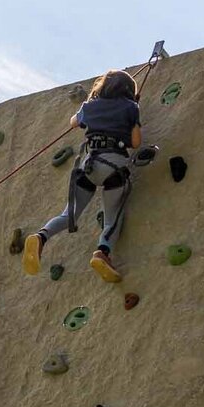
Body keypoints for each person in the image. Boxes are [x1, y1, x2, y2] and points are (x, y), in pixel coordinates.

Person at [22, 69, 142, 283]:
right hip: (113, 165)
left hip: (89, 165)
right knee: (112, 216)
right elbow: (135, 142)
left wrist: (90, 107)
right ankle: (102, 253)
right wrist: (134, 115)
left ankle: (41, 236)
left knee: (70, 213)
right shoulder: (131, 107)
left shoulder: (89, 107)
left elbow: (73, 122)